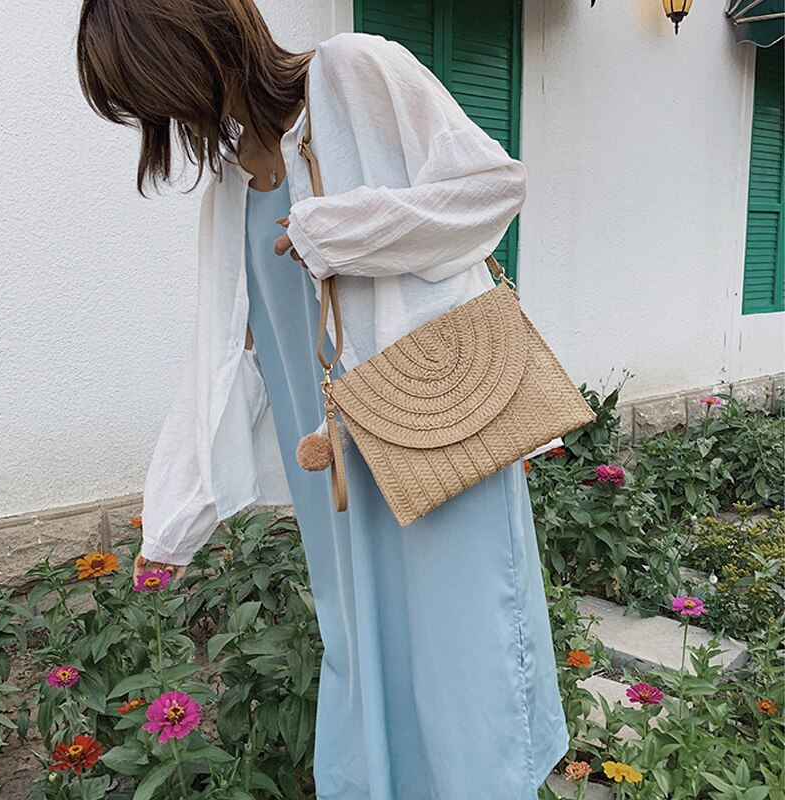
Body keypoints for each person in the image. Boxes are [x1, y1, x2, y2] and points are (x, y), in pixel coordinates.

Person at [76, 1, 569, 796]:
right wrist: (171, 520)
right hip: (335, 477)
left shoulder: (356, 71)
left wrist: (340, 232)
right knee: (363, 654)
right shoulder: (233, 185)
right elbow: (221, 360)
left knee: (461, 654)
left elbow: (489, 189)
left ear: (198, 47)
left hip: (431, 430)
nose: (160, 118)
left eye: (151, 90)